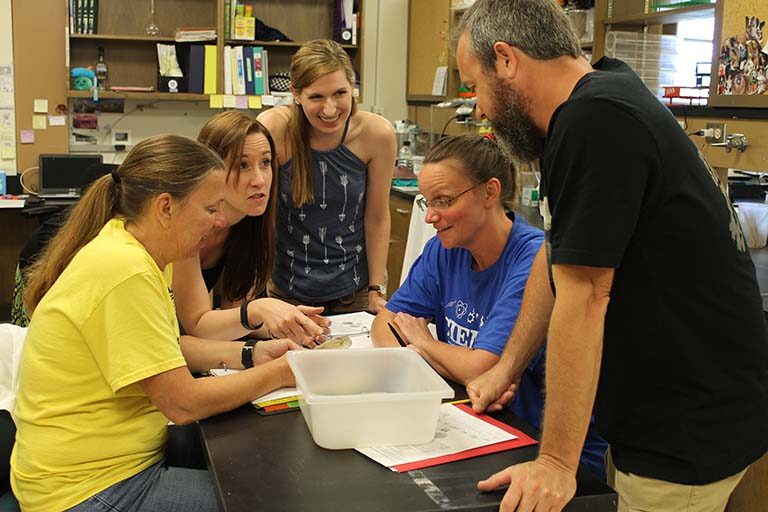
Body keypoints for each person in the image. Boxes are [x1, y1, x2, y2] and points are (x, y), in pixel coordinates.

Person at [455, 1, 768, 511]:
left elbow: (585, 294)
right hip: (664, 410)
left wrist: (555, 464)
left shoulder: (593, 119)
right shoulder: (592, 100)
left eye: (476, 86)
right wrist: (508, 367)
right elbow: (560, 252)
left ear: (506, 60)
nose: (481, 108)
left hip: (685, 427)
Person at [11, 135, 300, 512]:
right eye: (210, 208)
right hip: (87, 490)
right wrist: (282, 372)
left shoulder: (136, 250)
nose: (217, 222)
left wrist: (251, 355)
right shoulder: (125, 269)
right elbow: (183, 403)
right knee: (261, 498)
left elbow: (160, 349)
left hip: (99, 470)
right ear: (165, 207)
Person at [371, 134, 607, 479]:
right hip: (482, 426)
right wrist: (432, 357)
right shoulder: (445, 248)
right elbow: (386, 323)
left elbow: (487, 367)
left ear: (489, 192)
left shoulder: (531, 260)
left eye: (444, 200)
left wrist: (423, 344)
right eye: (427, 202)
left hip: (546, 454)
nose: (430, 217)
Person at [258, 39, 396, 314]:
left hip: (355, 291)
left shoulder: (376, 135)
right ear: (296, 94)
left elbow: (377, 216)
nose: (330, 109)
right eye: (316, 97)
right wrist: (255, 289)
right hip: (287, 292)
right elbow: (263, 216)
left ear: (353, 87)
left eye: (340, 93)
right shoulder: (274, 129)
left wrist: (375, 289)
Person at [173, 111, 329, 345]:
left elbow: (233, 320)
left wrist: (289, 324)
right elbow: (196, 325)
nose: (259, 179)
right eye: (242, 165)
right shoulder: (186, 224)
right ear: (211, 170)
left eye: (265, 163)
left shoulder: (251, 226)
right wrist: (258, 309)